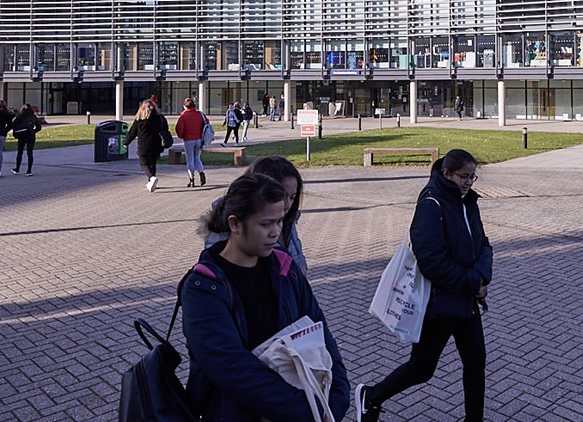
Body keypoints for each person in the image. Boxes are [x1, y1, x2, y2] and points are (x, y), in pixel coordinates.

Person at [182, 174, 350, 421]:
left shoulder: (286, 268)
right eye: (265, 224)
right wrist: (307, 411)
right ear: (235, 224)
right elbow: (229, 366)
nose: (275, 232)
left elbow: (319, 330)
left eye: (280, 221)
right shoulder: (203, 287)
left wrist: (337, 396)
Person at [356, 149, 494, 422]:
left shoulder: (468, 202)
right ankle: (370, 396)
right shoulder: (431, 204)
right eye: (464, 177)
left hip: (465, 302)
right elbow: (431, 260)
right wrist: (471, 282)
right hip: (438, 304)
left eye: (472, 177)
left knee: (476, 362)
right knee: (422, 368)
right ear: (447, 174)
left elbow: (484, 244)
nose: (468, 183)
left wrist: (481, 277)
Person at [204, 156, 308, 273]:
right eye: (281, 196)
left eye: (292, 197)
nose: (287, 205)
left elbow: (298, 266)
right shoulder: (225, 239)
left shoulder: (288, 221)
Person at [124, 100, 168, 193]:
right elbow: (165, 129)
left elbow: (132, 133)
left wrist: (126, 142)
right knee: (153, 163)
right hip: (156, 144)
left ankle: (151, 178)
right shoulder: (159, 118)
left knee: (144, 163)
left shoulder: (139, 120)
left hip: (143, 145)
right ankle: (151, 182)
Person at [174, 97, 209, 188]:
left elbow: (179, 129)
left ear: (184, 106)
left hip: (188, 140)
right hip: (199, 139)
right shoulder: (200, 114)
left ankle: (192, 180)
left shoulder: (183, 116)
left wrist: (181, 136)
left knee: (190, 160)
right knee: (197, 158)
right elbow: (206, 124)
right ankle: (201, 174)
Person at [10, 103, 41, 176]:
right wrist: (33, 131)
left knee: (20, 152)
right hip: (30, 135)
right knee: (30, 153)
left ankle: (17, 169)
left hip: (22, 135)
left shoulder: (19, 117)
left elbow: (13, 126)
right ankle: (29, 170)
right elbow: (39, 127)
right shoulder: (33, 117)